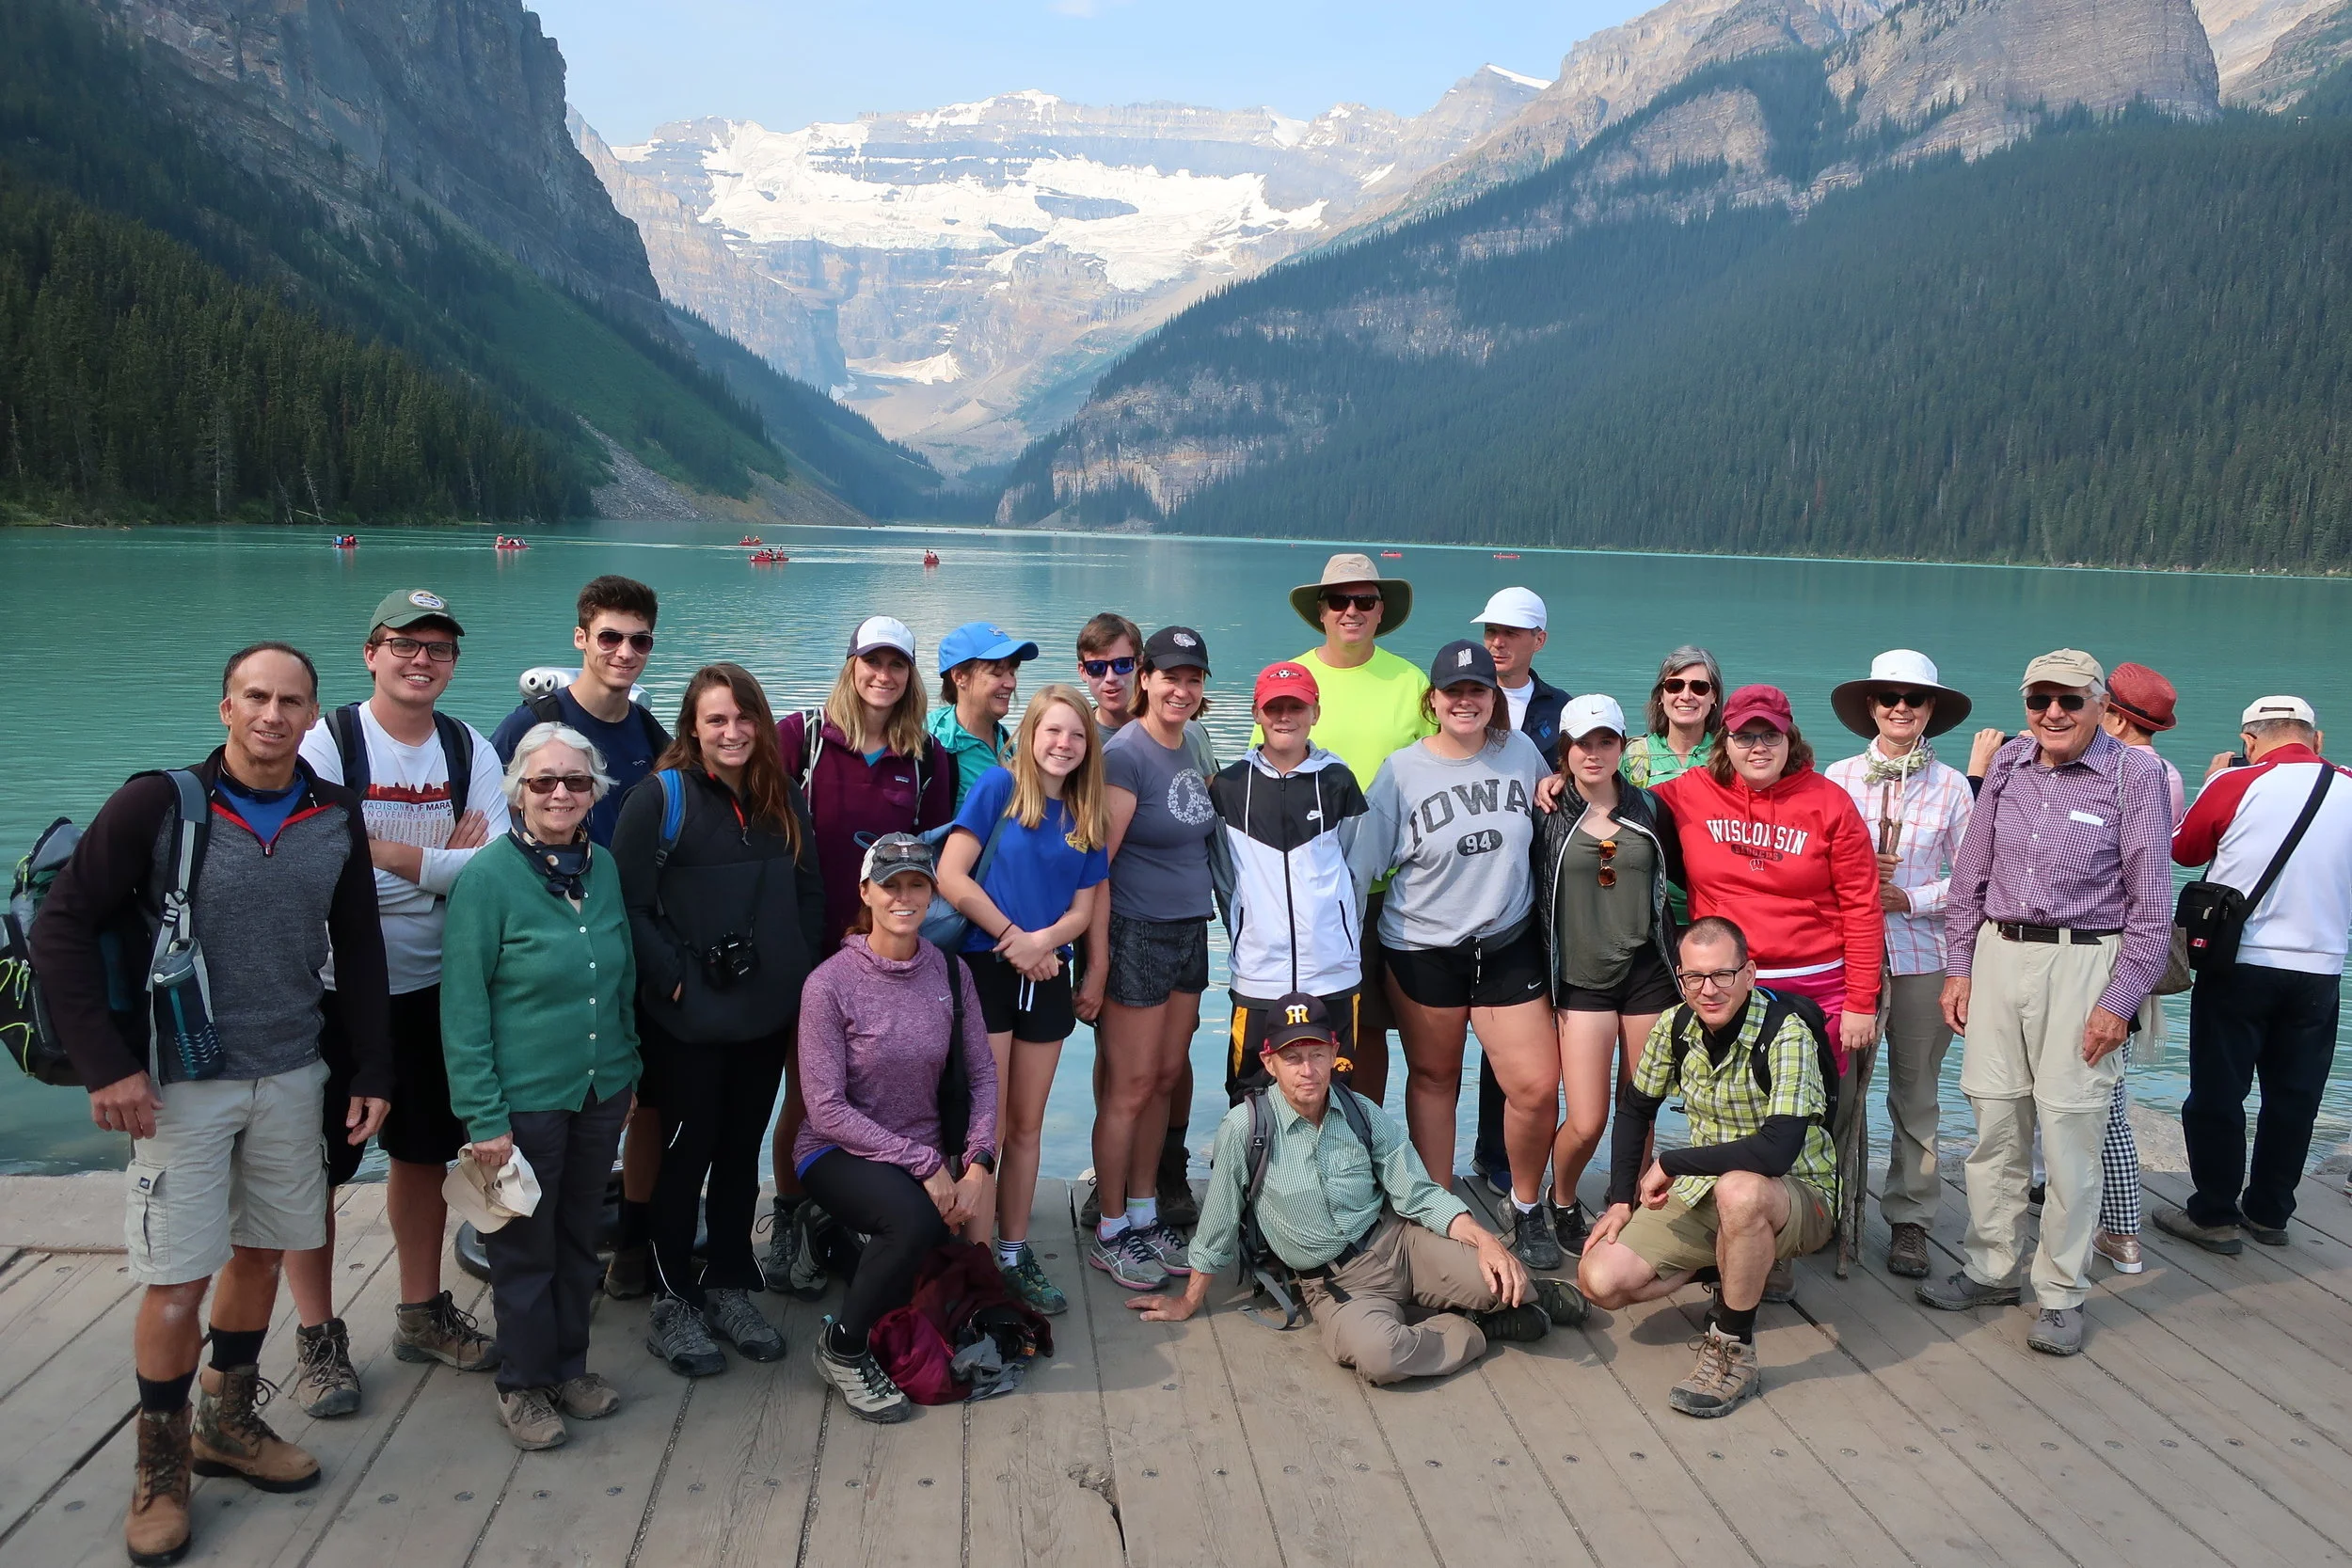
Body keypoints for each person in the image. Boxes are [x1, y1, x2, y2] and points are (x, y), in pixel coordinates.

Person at [34, 643, 392, 1566]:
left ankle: (229, 1421)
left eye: (291, 701)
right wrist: (106, 1063)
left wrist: (372, 1068)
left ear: (313, 713)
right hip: (177, 1085)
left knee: (263, 1247)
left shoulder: (333, 813)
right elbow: (61, 926)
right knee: (176, 1277)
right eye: (256, 698)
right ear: (226, 705)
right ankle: (161, 1462)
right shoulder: (157, 804)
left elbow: (357, 948)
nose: (274, 715)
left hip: (291, 1069)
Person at [283, 592, 505, 1419]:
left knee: (422, 1152)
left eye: (439, 648)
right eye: (404, 644)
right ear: (370, 653)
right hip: (330, 990)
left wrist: (372, 848)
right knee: (313, 1166)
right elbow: (317, 859)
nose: (422, 660)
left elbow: (483, 872)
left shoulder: (466, 744)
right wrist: (427, 861)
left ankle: (420, 1310)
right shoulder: (326, 739)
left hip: (435, 986)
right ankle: (318, 1335)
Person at [1128, 993, 1585, 1386]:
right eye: (1292, 1058)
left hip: (1400, 1243)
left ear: (1333, 1053)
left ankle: (1521, 1298)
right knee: (1381, 1359)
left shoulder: (1362, 1111)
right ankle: (1476, 1328)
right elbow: (1219, 1222)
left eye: (1316, 1055)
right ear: (1269, 1063)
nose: (1306, 1070)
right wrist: (1189, 1301)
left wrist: (1485, 1240)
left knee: (1500, 1274)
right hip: (1337, 1283)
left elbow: (1418, 1193)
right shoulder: (1245, 1128)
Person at [1922, 651, 2172, 1357]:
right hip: (2001, 952)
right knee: (1995, 1119)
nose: (2052, 713)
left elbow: (2154, 907)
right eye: (2040, 699)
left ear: (2102, 705)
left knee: (2070, 1134)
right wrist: (1960, 966)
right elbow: (1970, 870)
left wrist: (2118, 1001)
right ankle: (1992, 1267)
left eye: (2068, 700)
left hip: (2086, 960)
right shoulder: (2008, 762)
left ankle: (2062, 1292)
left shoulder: (2136, 775)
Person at [615, 665, 824, 1378]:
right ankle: (673, 1299)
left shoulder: (782, 800)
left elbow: (809, 894)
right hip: (687, 1023)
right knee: (685, 1155)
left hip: (762, 1016)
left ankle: (731, 1285)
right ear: (692, 729)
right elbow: (630, 904)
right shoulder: (660, 800)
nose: (732, 732)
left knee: (739, 1154)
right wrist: (673, 978)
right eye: (716, 720)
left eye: (744, 718)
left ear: (762, 725)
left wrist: (795, 978)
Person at [440, 722, 642, 1449]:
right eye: (544, 781)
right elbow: (462, 1010)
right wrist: (482, 1116)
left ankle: (569, 1366)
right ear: (517, 790)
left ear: (595, 793)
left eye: (576, 781)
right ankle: (523, 1383)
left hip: (599, 1091)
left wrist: (630, 1070)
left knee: (579, 1238)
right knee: (523, 1245)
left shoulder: (604, 867)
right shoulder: (488, 879)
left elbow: (619, 979)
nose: (560, 792)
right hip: (521, 1101)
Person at [489, 575, 670, 1299]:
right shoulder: (528, 727)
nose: (624, 652)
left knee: (643, 1100)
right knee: (542, 1111)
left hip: (631, 948)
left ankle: (631, 1240)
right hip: (548, 960)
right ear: (581, 639)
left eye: (639, 640)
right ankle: (531, 1273)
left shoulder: (654, 738)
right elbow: (492, 838)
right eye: (610, 637)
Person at [1578, 918, 1838, 1418]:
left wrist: (1671, 1161)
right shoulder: (1674, 1025)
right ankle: (1737, 1261)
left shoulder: (1785, 1032)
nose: (1708, 990)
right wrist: (1618, 1201)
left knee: (1742, 1191)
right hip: (1706, 1190)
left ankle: (1732, 1349)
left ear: (1750, 973)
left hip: (1799, 1192)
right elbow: (1636, 1108)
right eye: (1694, 977)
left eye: (1722, 974)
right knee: (1600, 1280)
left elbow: (1777, 1151)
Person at [770, 617, 958, 1290]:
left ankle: (846, 1218)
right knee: (807, 1094)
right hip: (807, 952)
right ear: (850, 664)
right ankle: (789, 1216)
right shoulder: (802, 738)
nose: (883, 675)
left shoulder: (927, 758)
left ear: (911, 675)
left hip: (886, 955)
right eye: (871, 661)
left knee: (880, 1090)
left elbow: (931, 861)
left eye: (897, 663)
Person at [795, 835, 998, 1425]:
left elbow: (983, 1074)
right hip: (836, 1148)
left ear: (932, 894)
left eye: (917, 885)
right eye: (890, 885)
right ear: (866, 893)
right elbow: (826, 1108)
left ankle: (835, 1241)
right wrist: (926, 1165)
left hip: (920, 1155)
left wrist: (980, 1161)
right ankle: (843, 1347)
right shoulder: (828, 985)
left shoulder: (951, 972)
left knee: (938, 1259)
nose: (904, 897)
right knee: (912, 1222)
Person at [1348, 640, 1551, 1194]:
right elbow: (1360, 867)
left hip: (1507, 943)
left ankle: (1527, 1204)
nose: (1466, 701)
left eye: (1477, 690)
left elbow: (1553, 818)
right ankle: (1438, 1206)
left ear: (1494, 696)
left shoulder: (1522, 751)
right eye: (1453, 691)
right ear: (1432, 700)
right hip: (1423, 948)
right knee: (1436, 1078)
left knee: (1535, 1087)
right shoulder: (1402, 771)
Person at [935, 684, 1110, 1315]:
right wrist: (1013, 939)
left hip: (1047, 976)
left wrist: (1043, 944)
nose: (1063, 744)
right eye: (1052, 731)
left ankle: (1013, 1251)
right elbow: (950, 876)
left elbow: (1084, 909)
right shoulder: (997, 791)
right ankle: (976, 1260)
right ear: (1030, 735)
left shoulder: (1087, 814)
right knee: (990, 1126)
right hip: (987, 969)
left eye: (1075, 734)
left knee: (1029, 1125)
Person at [2157, 696, 2352, 1254]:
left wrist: (2214, 781)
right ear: (2315, 738)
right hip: (2320, 968)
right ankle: (2270, 1213)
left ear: (2249, 739)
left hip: (2241, 963)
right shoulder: (2346, 784)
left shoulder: (2236, 783)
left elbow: (2183, 851)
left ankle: (2214, 1214)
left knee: (2220, 1091)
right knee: (2294, 1096)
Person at [1822, 650, 1974, 1280]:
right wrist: (1855, 884)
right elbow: (1814, 858)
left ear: (1931, 709)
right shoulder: (1837, 776)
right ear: (1871, 707)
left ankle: (1910, 1215)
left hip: (1919, 957)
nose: (1901, 708)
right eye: (1889, 697)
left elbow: (1971, 879)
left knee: (1914, 1093)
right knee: (1836, 1089)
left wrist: (1906, 896)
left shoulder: (1954, 786)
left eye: (1914, 699)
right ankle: (1823, 1202)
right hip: (1843, 954)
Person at [1081, 626, 1222, 1291]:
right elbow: (1096, 868)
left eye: (1193, 679)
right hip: (1137, 933)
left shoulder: (1191, 743)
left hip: (1190, 932)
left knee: (1165, 1079)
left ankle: (1143, 1210)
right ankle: (1111, 1225)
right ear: (1144, 678)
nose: (1181, 689)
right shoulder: (1125, 753)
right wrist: (1099, 960)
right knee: (1130, 1087)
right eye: (1170, 676)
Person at [1529, 694, 1684, 1264]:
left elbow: (1687, 880)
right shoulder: (1545, 814)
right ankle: (1563, 1197)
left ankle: (1631, 1204)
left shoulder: (1651, 809)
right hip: (1581, 980)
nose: (1592, 754)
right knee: (1588, 1117)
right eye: (1579, 744)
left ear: (1622, 746)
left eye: (1604, 742)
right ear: (1563, 751)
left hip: (1648, 974)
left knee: (1639, 1106)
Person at [1280, 551, 1435, 1108]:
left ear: (1379, 611)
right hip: (1307, 891)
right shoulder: (1291, 680)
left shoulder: (1410, 680)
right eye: (1340, 601)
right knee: (1300, 1025)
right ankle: (1297, 1144)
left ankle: (1367, 1142)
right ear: (1321, 611)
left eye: (1364, 601)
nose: (1352, 610)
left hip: (1389, 890)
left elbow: (1440, 766)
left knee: (1369, 1027)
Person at [2074, 660, 2189, 1274]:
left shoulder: (2126, 772)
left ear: (2113, 713)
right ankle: (2101, 1217)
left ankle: (2120, 1228)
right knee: (2105, 1090)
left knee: (2108, 1099)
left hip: (2104, 954)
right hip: (2133, 955)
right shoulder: (2168, 775)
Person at [1212, 661, 1371, 1103]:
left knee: (1334, 1090)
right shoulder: (1230, 786)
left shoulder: (1338, 781)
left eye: (1295, 706)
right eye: (1274, 707)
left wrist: (1339, 936)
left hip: (1332, 971)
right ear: (1256, 714)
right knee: (1250, 1091)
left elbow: (1356, 871)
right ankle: (1253, 1172)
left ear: (1315, 712)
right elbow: (1225, 880)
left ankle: (1332, 1174)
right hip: (1258, 975)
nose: (1285, 716)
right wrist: (1247, 933)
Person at [1468, 587, 1571, 1196]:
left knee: (1522, 1030)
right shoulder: (1459, 700)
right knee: (1481, 1033)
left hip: (1542, 888)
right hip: (1476, 888)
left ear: (1539, 639)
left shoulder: (1563, 710)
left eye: (1511, 632)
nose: (1498, 642)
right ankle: (1484, 1151)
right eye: (1490, 631)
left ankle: (1506, 1153)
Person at [928, 621, 1040, 805]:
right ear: (959, 677)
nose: (1011, 683)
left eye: (1012, 673)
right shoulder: (931, 739)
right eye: (997, 674)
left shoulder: (1006, 741)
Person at [1620, 645, 1724, 789]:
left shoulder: (1727, 754)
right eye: (1674, 686)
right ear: (1661, 695)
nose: (1686, 696)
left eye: (1699, 687)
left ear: (1713, 696)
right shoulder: (1633, 756)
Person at [1076, 611, 1141, 735]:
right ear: (1083, 671)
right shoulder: (1075, 737)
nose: (1110, 678)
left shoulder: (1169, 732)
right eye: (1097, 667)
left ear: (1140, 665)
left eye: (1122, 664)